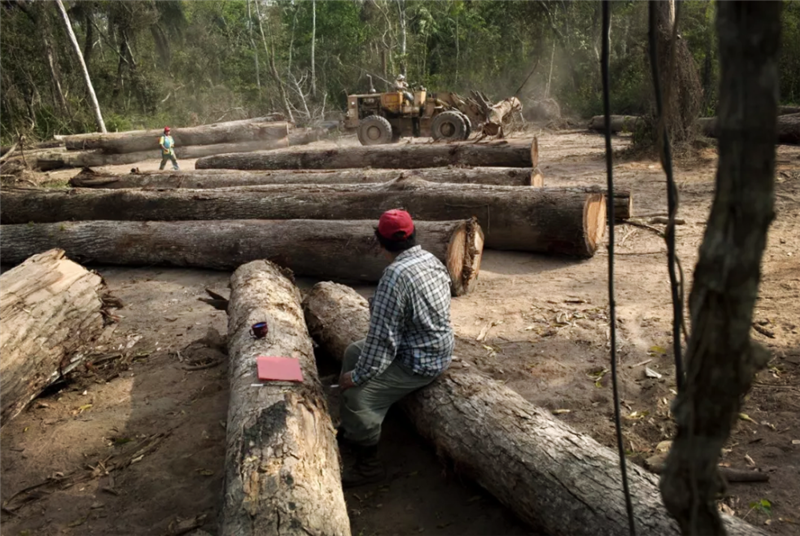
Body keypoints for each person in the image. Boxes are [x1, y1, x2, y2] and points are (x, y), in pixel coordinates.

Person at [337, 209, 454, 487]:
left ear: (381, 242)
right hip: (432, 344)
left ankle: (368, 466)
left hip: (420, 360)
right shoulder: (431, 259)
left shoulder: (394, 276)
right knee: (354, 350)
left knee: (357, 396)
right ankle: (355, 429)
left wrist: (356, 378)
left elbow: (382, 341)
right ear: (414, 235)